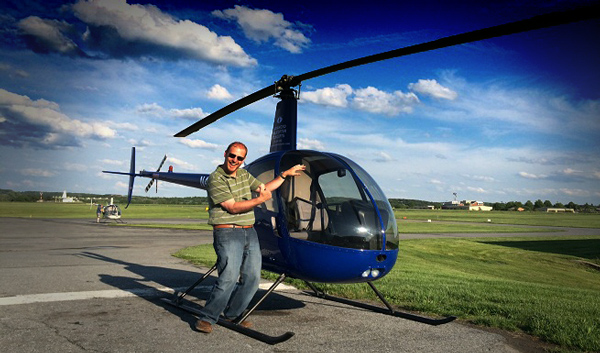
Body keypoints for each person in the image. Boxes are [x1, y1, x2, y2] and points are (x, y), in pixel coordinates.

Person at [195, 141, 305, 334]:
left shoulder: (245, 175)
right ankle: (207, 318)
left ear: (243, 159)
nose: (234, 160)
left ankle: (233, 314)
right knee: (228, 277)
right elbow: (232, 207)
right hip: (227, 232)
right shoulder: (216, 178)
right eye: (232, 156)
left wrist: (284, 175)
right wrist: (260, 201)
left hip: (249, 231)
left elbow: (264, 188)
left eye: (239, 158)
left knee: (253, 277)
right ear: (225, 153)